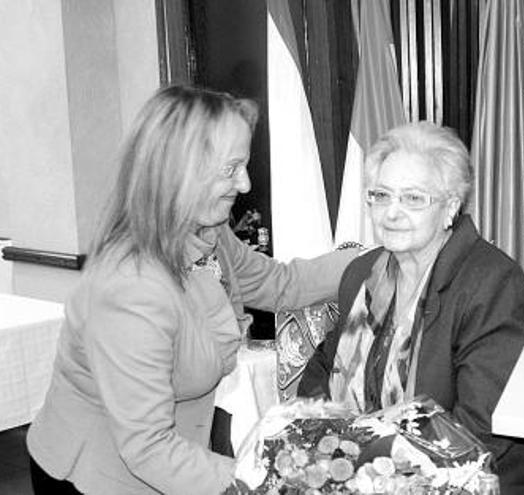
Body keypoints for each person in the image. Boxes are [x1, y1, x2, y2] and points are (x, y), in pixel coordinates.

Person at [26, 85, 358, 495]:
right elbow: (148, 448)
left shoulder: (208, 231)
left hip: (174, 459)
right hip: (101, 478)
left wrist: (383, 257)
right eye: (231, 168)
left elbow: (281, 284)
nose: (246, 182)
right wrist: (271, 481)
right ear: (181, 172)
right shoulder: (129, 288)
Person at [298, 122, 524, 494]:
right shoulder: (361, 275)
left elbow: (479, 426)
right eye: (381, 195)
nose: (391, 213)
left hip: (485, 481)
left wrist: (370, 466)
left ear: (450, 208)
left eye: (413, 198)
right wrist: (324, 444)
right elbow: (323, 369)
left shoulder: (490, 281)